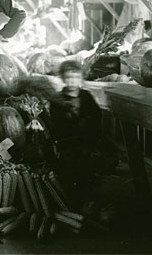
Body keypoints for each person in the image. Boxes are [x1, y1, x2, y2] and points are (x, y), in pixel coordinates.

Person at [50, 60, 118, 203]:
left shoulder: (86, 96)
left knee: (88, 171)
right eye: (68, 77)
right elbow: (55, 124)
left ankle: (89, 198)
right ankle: (72, 200)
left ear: (80, 78)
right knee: (69, 172)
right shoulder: (57, 100)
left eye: (75, 77)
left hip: (87, 141)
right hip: (67, 143)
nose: (72, 81)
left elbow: (96, 116)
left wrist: (88, 126)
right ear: (63, 79)